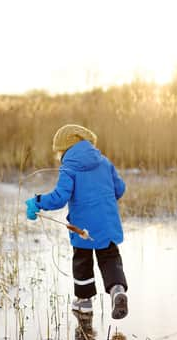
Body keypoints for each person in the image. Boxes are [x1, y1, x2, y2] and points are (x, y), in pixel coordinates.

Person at [25, 124, 128, 319]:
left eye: (59, 151)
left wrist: (38, 201)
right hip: (107, 223)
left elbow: (59, 198)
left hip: (83, 227)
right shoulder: (105, 162)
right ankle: (117, 290)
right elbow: (120, 189)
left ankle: (84, 301)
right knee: (110, 257)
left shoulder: (69, 168)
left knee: (83, 260)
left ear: (65, 149)